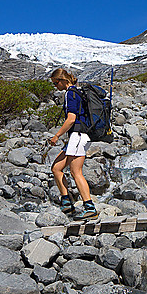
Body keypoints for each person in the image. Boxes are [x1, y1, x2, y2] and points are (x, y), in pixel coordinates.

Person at [48, 68, 98, 220]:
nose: (56, 86)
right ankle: (66, 203)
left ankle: (90, 207)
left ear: (63, 80)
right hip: (79, 136)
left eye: (56, 83)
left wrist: (57, 135)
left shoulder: (70, 93)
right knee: (56, 168)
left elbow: (71, 119)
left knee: (76, 172)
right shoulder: (78, 92)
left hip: (78, 135)